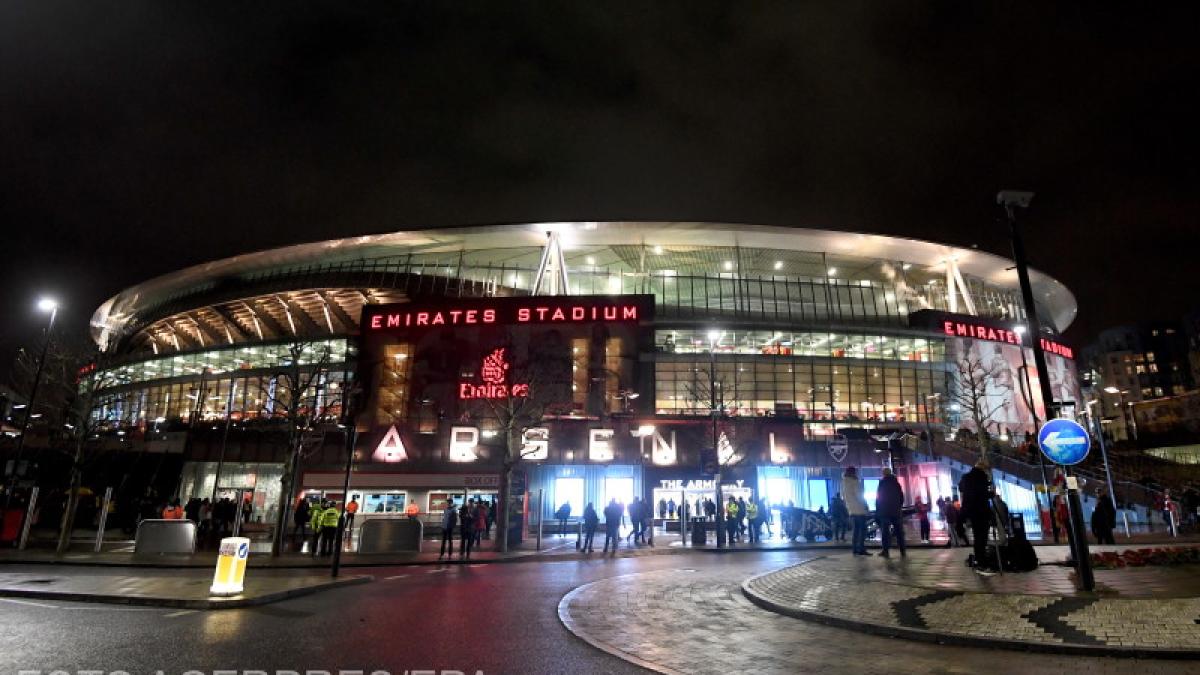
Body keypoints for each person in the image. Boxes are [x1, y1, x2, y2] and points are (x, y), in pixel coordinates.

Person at [959, 461, 994, 573]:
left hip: (972, 512)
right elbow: (980, 495)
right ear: (984, 469)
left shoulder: (966, 477)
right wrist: (990, 494)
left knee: (978, 538)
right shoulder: (981, 478)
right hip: (981, 511)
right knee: (981, 539)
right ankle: (981, 563)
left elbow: (961, 489)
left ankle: (980, 561)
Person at [875, 467, 905, 558]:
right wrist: (898, 506)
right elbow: (901, 497)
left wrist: (878, 510)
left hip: (885, 512)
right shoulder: (896, 483)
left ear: (884, 474)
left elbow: (878, 498)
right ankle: (902, 550)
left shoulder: (882, 483)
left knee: (885, 532)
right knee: (899, 531)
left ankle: (886, 551)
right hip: (896, 511)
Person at [841, 467, 869, 555]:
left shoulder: (844, 483)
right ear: (853, 472)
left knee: (856, 531)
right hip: (859, 509)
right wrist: (865, 505)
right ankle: (861, 549)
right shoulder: (854, 481)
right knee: (862, 530)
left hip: (851, 510)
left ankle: (855, 549)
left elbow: (843, 497)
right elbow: (859, 495)